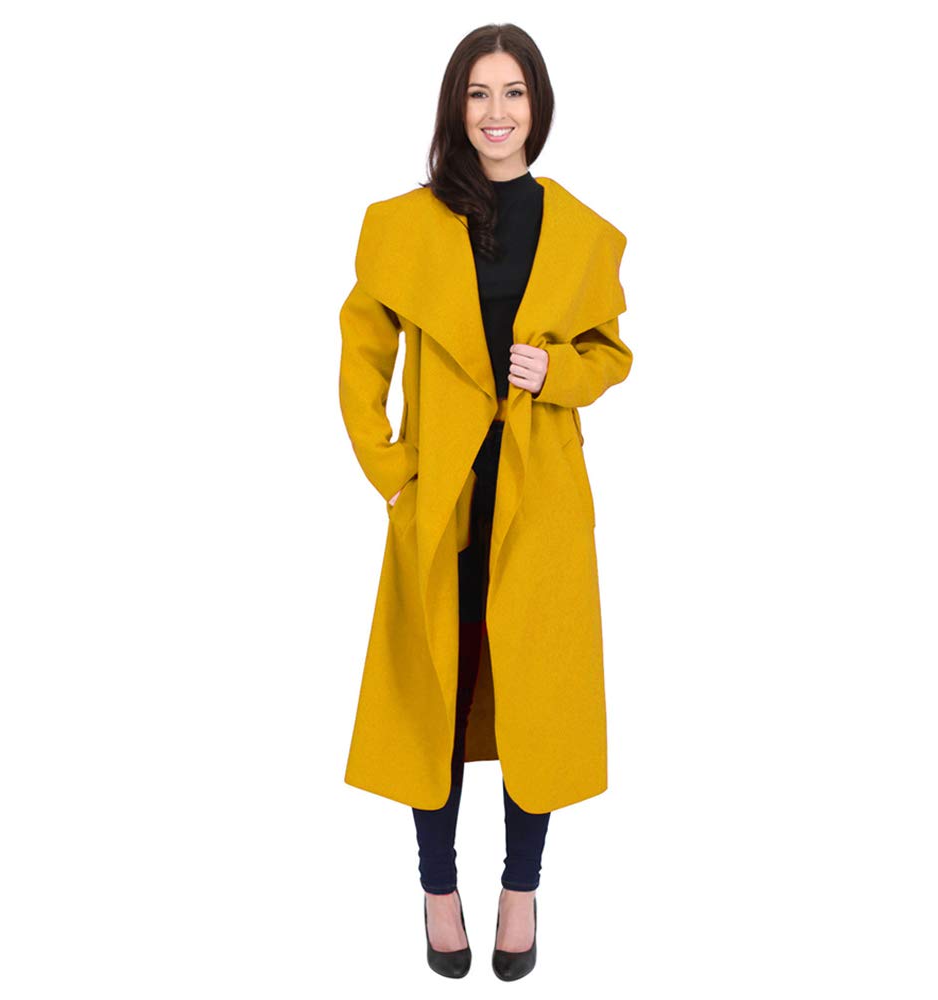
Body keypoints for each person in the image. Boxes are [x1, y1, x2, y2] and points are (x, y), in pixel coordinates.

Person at [338, 23, 632, 981]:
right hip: (441, 500)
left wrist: (560, 373)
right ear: (454, 107)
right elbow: (362, 354)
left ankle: (520, 890)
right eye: (477, 93)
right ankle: (437, 888)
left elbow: (611, 354)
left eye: (513, 92)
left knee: (537, 702)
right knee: (434, 697)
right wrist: (393, 471)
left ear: (537, 105)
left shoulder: (582, 231)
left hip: (541, 501)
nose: (496, 113)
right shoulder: (403, 223)